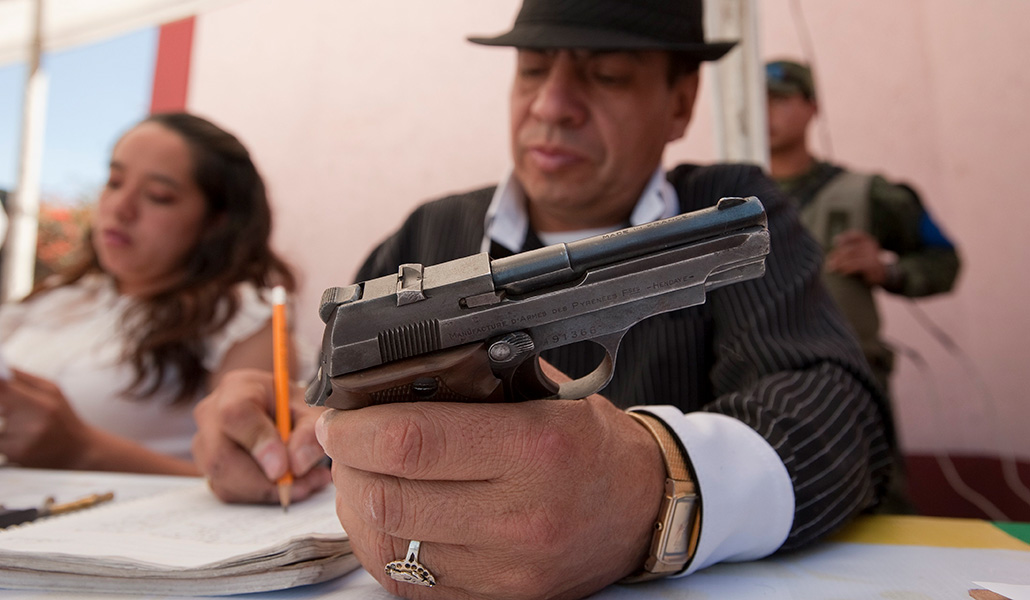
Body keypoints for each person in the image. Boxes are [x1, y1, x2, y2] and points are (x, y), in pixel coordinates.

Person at [192, 1, 894, 598]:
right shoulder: (426, 232)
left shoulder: (725, 211)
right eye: (532, 69)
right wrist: (284, 431)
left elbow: (838, 416)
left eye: (606, 73)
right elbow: (337, 415)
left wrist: (655, 487)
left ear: (680, 103)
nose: (552, 105)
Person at [0, 112, 300, 475]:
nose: (120, 208)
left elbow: (261, 477)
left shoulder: (241, 318)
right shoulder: (55, 298)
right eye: (114, 181)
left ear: (216, 222)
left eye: (158, 196)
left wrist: (84, 449)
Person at [765, 59, 961, 392]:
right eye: (757, 102)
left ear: (813, 107)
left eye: (780, 100)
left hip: (850, 382)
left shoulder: (867, 193)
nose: (765, 113)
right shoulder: (726, 198)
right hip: (761, 383)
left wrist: (888, 272)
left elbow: (945, 260)